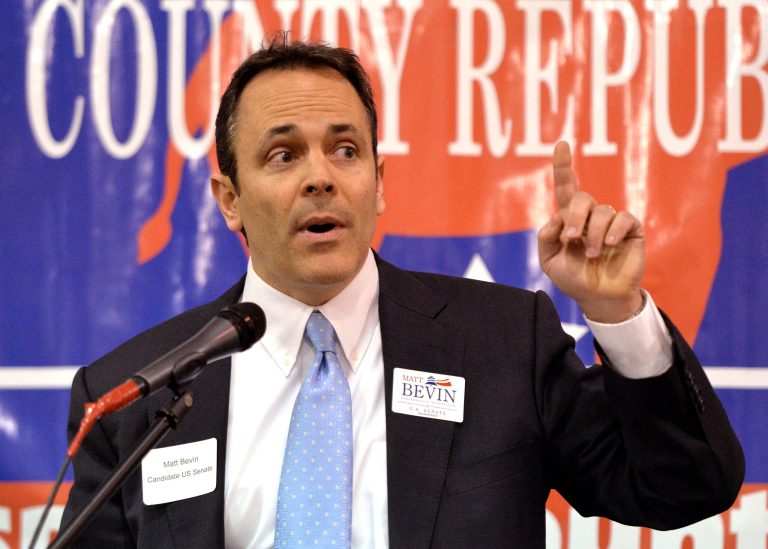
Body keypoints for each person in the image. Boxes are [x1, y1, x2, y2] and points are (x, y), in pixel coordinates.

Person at [60, 35, 744, 548]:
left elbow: (685, 487)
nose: (322, 176)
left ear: (380, 184)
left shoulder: (504, 343)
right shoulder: (130, 395)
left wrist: (617, 312)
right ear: (229, 199)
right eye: (284, 154)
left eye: (346, 149)